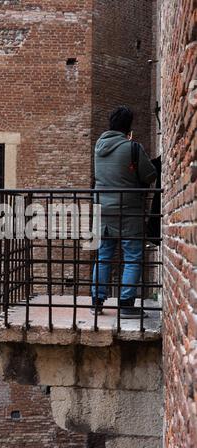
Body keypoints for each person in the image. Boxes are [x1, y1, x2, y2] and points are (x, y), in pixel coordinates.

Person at [91, 106, 157, 318]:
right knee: (133, 256)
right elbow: (149, 175)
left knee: (103, 256)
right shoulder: (133, 148)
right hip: (129, 211)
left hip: (103, 210)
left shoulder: (98, 147)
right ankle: (126, 304)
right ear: (128, 127)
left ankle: (97, 301)